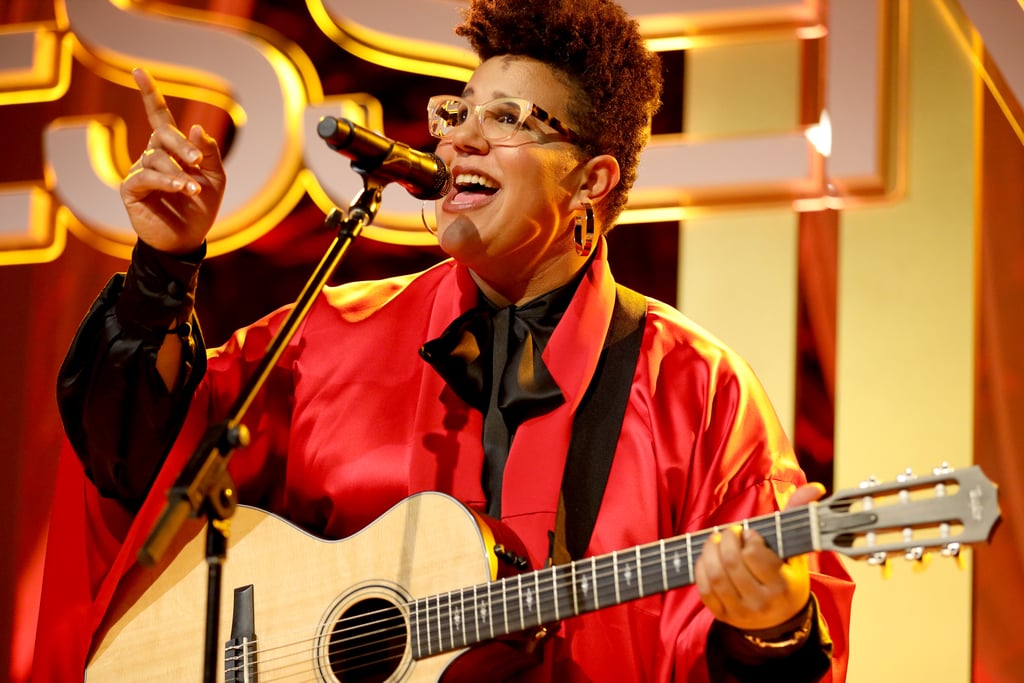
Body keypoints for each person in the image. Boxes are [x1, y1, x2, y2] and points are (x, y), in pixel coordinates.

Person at [50, 0, 854, 680]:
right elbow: (140, 464)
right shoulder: (324, 337)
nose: (459, 138)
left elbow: (762, 640)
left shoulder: (693, 388)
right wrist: (165, 264)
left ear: (592, 180)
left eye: (506, 119)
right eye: (457, 111)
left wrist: (772, 622)